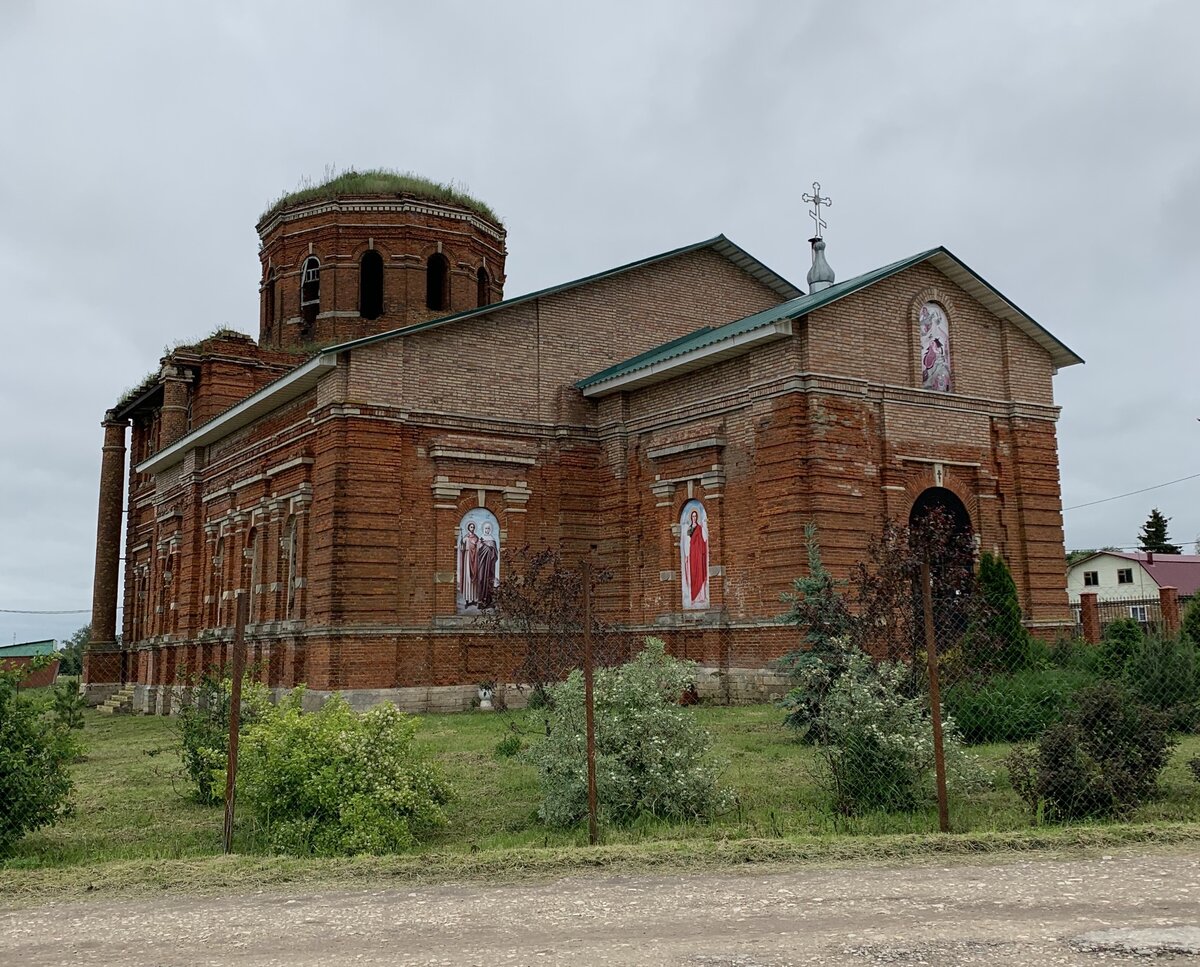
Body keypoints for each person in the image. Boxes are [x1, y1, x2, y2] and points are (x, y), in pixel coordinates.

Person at [684, 508, 708, 607]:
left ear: (697, 517)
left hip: (698, 553)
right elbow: (687, 541)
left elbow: (703, 539)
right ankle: (693, 597)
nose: (694, 518)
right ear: (691, 517)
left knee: (700, 573)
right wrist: (686, 554)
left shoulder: (700, 528)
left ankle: (701, 596)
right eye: (692, 516)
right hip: (692, 554)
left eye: (695, 516)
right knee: (693, 574)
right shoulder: (689, 529)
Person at [473, 521, 499, 609]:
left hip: (490, 565)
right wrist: (481, 544)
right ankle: (480, 600)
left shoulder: (493, 539)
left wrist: (490, 548)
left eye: (488, 528)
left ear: (490, 529)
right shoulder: (481, 538)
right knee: (481, 579)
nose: (487, 530)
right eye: (486, 528)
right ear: (484, 529)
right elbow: (478, 551)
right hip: (482, 564)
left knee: (489, 581)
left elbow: (495, 553)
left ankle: (489, 601)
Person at [458, 521, 479, 607]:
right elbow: (462, 549)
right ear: (468, 528)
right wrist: (462, 544)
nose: (472, 529)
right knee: (467, 578)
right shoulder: (465, 538)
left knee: (474, 579)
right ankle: (467, 600)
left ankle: (474, 599)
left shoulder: (476, 538)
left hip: (474, 560)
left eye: (473, 527)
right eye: (471, 527)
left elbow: (478, 547)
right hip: (467, 559)